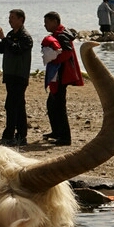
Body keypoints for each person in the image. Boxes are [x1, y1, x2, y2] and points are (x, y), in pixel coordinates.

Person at [0, 10, 33, 146]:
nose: (10, 20)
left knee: (12, 105)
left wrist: (3, 38)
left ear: (21, 20)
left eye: (12, 18)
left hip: (19, 76)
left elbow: (16, 49)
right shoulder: (10, 35)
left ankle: (9, 136)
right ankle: (20, 136)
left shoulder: (25, 36)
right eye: (9, 18)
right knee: (18, 106)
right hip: (10, 75)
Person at [40, 11, 82, 145]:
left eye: (47, 22)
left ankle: (65, 137)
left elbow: (67, 52)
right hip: (60, 74)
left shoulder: (62, 35)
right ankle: (57, 132)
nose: (45, 25)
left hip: (62, 74)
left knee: (58, 105)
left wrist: (55, 59)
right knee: (52, 104)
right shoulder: (61, 33)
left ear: (54, 21)